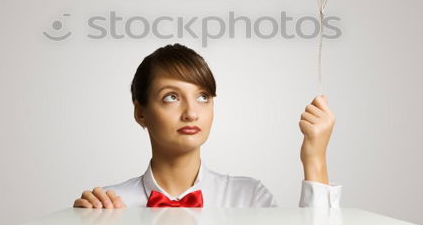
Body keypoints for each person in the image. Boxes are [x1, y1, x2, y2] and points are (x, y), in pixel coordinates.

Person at [73, 43, 341, 209]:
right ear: (140, 112)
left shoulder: (248, 198)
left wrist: (315, 158)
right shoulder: (110, 205)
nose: (191, 113)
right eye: (171, 97)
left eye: (203, 97)